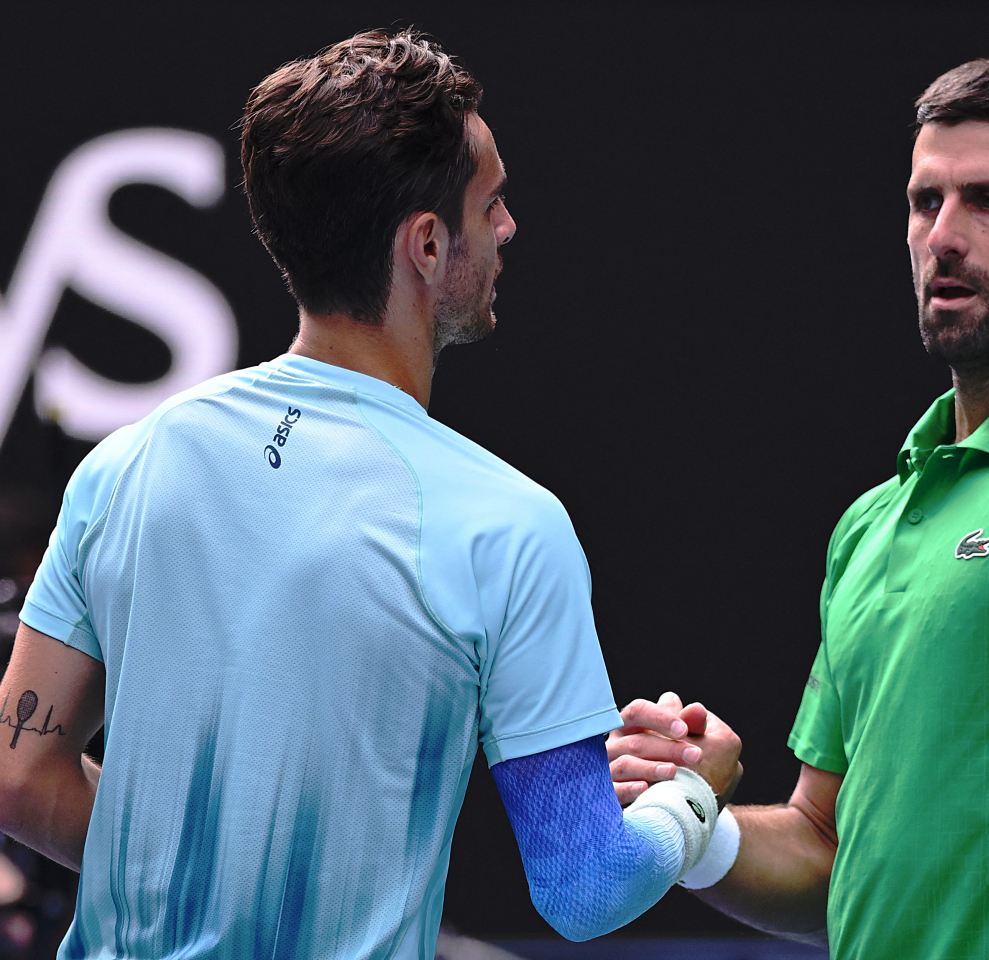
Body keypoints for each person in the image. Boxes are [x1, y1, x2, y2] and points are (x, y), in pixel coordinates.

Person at [0, 29, 725, 959]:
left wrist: (209, 875)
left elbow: (19, 778)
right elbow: (587, 883)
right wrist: (697, 794)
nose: (507, 227)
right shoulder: (508, 526)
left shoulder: (124, 464)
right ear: (426, 243)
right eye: (491, 203)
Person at [608, 58, 989, 960]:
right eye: (924, 202)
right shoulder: (869, 525)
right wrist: (688, 817)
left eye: (988, 201)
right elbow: (829, 850)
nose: (942, 236)